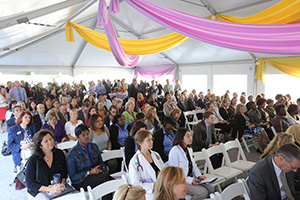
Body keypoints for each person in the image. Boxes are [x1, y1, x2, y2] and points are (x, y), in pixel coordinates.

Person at [66, 124, 114, 199]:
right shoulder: (72, 154)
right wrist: (89, 172)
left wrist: (98, 170)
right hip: (81, 181)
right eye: (83, 135)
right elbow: (73, 177)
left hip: (96, 175)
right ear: (77, 137)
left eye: (87, 134)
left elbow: (101, 163)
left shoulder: (94, 146)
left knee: (108, 181)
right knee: (107, 180)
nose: (86, 137)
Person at [169, 128, 214, 199]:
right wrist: (189, 180)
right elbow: (174, 173)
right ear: (181, 138)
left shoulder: (189, 149)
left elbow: (194, 166)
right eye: (188, 136)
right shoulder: (175, 151)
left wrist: (199, 176)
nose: (191, 138)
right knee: (202, 192)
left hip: (191, 178)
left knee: (211, 188)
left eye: (190, 136)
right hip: (180, 182)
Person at [26, 130, 67, 200]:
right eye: (46, 141)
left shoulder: (59, 153)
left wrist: (62, 183)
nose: (50, 142)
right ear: (40, 145)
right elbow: (30, 184)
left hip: (57, 187)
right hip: (40, 190)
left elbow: (64, 172)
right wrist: (50, 189)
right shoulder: (33, 160)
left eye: (51, 139)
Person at [128, 130, 164, 200]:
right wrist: (152, 186)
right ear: (140, 143)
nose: (151, 142)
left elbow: (164, 170)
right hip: (147, 193)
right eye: (148, 140)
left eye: (151, 139)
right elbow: (135, 184)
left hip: (161, 188)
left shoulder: (155, 155)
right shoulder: (135, 161)